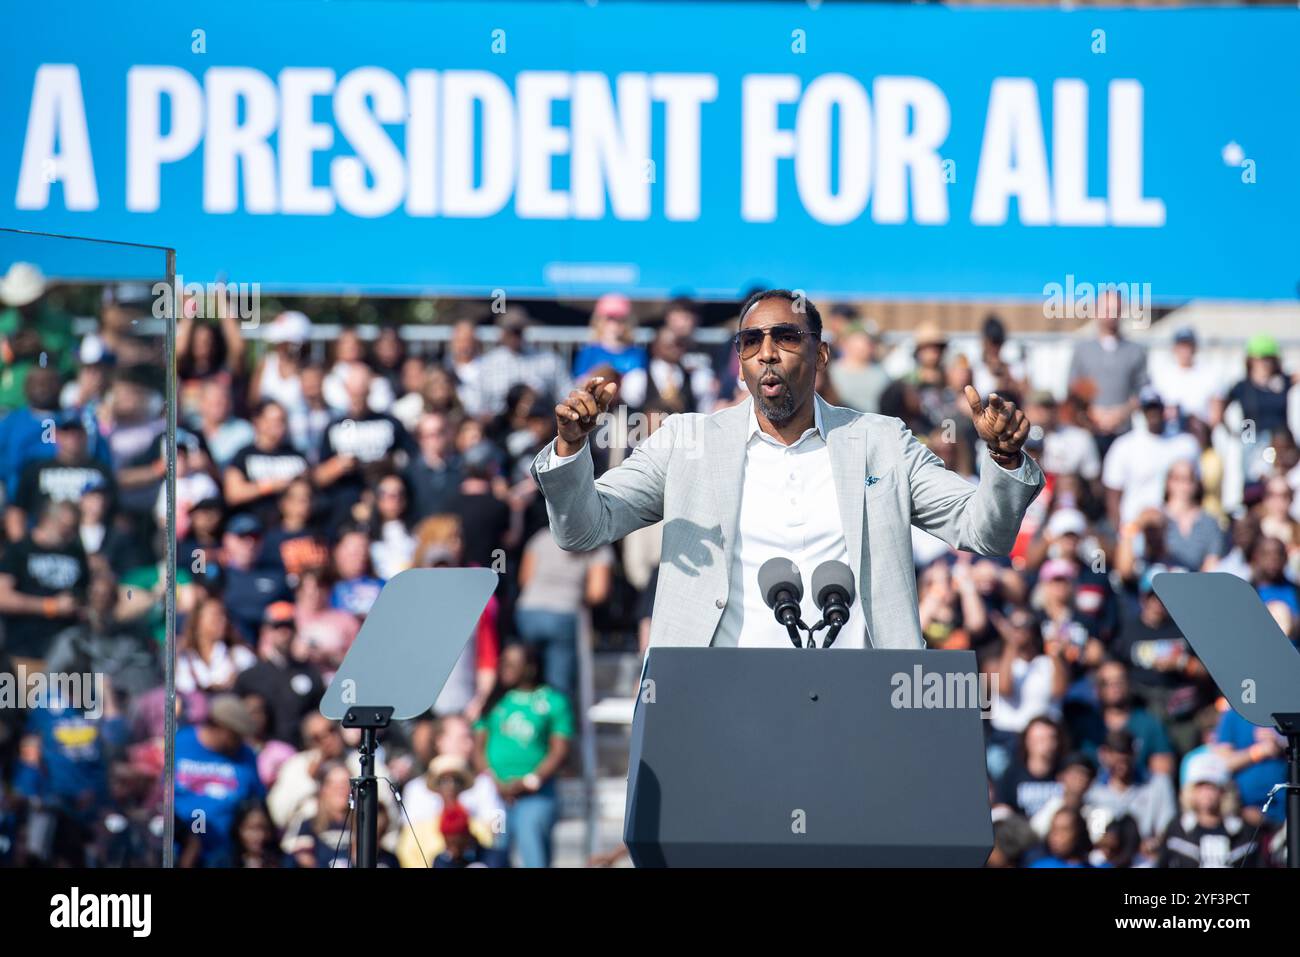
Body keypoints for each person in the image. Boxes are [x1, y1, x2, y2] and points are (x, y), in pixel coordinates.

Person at [531, 289, 1044, 652]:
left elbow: (984, 531)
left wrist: (1002, 460)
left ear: (820, 353)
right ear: (738, 363)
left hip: (859, 704)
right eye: (750, 342)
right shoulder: (686, 442)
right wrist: (571, 448)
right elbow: (583, 528)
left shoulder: (882, 442)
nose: (768, 353)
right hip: (718, 699)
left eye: (785, 337)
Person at [473, 643, 573, 868]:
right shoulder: (494, 701)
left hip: (536, 795)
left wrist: (530, 781)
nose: (504, 668)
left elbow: (560, 750)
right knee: (494, 853)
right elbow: (478, 748)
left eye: (512, 664)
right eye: (503, 663)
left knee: (533, 852)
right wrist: (494, 781)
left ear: (530, 668)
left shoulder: (553, 701)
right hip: (496, 796)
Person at [515, 526, 613, 704]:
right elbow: (597, 592)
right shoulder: (598, 543)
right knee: (558, 683)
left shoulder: (542, 537)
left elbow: (524, 579)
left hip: (528, 611)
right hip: (564, 613)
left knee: (526, 674)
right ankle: (557, 725)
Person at [174, 695, 265, 867]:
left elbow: (256, 802)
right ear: (220, 727)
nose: (240, 742)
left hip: (222, 854)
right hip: (177, 846)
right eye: (236, 735)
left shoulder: (246, 756)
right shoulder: (179, 743)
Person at [233, 601, 325, 748]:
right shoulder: (249, 677)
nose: (284, 632)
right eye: (277, 626)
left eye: (288, 626)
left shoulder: (311, 673)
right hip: (261, 751)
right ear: (266, 631)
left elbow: (320, 715)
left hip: (301, 752)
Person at [1158, 751, 1261, 867]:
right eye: (1201, 786)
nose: (1207, 793)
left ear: (1223, 792)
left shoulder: (1242, 832)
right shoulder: (1177, 829)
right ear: (1190, 791)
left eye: (1212, 787)